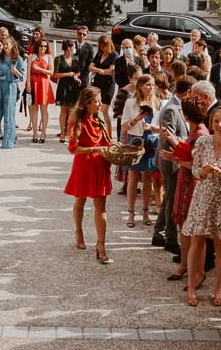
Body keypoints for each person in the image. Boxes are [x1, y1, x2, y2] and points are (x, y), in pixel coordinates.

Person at [183, 105, 221, 308]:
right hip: (202, 196)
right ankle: (191, 285)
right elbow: (195, 170)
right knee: (196, 241)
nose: (220, 125)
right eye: (216, 121)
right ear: (211, 124)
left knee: (220, 245)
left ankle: (219, 287)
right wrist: (203, 171)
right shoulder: (204, 142)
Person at [64, 87, 113, 263]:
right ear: (87, 103)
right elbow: (73, 148)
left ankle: (101, 246)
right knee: (80, 200)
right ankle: (79, 231)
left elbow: (106, 141)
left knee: (101, 206)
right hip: (84, 166)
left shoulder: (99, 118)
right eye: (97, 101)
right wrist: (94, 149)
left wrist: (112, 148)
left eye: (100, 100)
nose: (100, 104)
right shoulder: (77, 120)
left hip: (100, 165)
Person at [152, 76, 195, 258]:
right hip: (171, 162)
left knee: (168, 198)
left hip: (174, 160)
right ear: (188, 91)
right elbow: (169, 137)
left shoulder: (178, 107)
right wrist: (189, 144)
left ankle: (158, 232)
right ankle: (170, 239)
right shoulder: (171, 109)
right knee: (171, 200)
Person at [121, 74, 160, 228]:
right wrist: (137, 119)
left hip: (150, 139)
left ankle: (145, 211)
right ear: (140, 87)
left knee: (148, 178)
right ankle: (130, 213)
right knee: (132, 178)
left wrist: (152, 127)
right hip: (135, 140)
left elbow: (160, 126)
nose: (151, 88)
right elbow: (124, 126)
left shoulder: (157, 102)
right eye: (148, 85)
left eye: (152, 85)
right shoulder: (130, 102)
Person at [0, 37, 25, 148]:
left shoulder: (18, 59)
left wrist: (16, 72)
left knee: (9, 113)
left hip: (11, 86)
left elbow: (22, 76)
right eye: (3, 44)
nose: (4, 46)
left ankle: (8, 142)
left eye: (7, 44)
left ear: (12, 45)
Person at [53, 39, 81, 143]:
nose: (74, 49)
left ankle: (70, 133)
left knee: (72, 111)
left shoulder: (76, 59)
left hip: (73, 87)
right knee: (63, 111)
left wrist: (76, 76)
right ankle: (62, 133)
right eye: (73, 47)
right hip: (63, 86)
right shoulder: (59, 59)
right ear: (68, 47)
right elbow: (54, 74)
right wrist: (67, 74)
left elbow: (78, 72)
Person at [28, 39, 56, 143]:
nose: (43, 48)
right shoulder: (32, 56)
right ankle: (35, 132)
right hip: (33, 82)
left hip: (44, 84)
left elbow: (51, 72)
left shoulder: (49, 57)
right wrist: (28, 84)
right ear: (37, 46)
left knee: (44, 109)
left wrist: (39, 69)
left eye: (45, 46)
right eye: (41, 46)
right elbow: (28, 72)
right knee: (34, 109)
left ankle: (43, 132)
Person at [87, 35, 118, 128]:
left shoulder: (114, 55)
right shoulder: (99, 54)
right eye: (101, 46)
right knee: (95, 109)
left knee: (104, 110)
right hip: (97, 83)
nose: (102, 48)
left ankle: (108, 133)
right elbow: (90, 67)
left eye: (104, 46)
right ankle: (97, 130)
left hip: (108, 85)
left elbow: (111, 71)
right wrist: (99, 70)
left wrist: (100, 71)